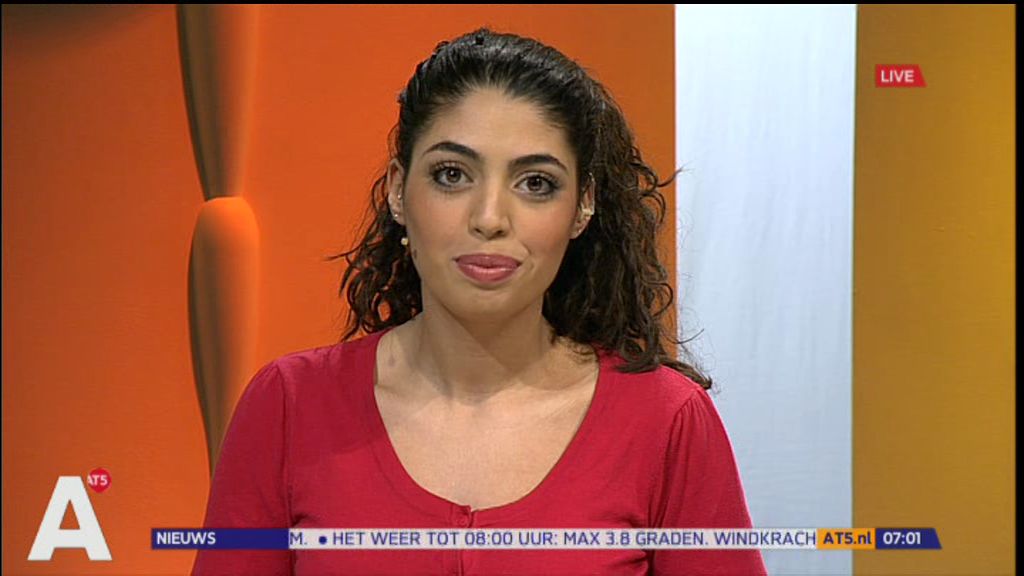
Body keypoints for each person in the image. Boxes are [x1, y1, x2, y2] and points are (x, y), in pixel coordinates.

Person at [193, 27, 767, 575]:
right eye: (452, 175)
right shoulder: (289, 406)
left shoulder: (667, 420)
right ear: (398, 191)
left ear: (582, 207)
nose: (490, 218)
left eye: (535, 183)